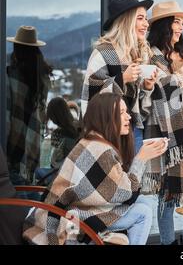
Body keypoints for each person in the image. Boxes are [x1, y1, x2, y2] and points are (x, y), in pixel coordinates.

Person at [23, 93, 168, 245]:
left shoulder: (93, 141)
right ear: (105, 117)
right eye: (121, 113)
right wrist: (141, 158)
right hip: (67, 218)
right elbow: (126, 193)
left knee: (144, 201)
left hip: (71, 210)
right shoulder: (99, 149)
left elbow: (114, 191)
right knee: (143, 213)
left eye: (127, 112)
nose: (128, 117)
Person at [140, 1, 183, 245]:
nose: (180, 27)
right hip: (164, 128)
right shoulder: (152, 55)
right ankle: (168, 243)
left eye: (182, 22)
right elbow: (160, 90)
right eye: (175, 21)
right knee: (167, 194)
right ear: (163, 25)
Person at [81, 0, 156, 153]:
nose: (146, 24)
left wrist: (147, 87)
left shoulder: (136, 54)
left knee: (132, 177)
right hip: (106, 133)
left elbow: (138, 110)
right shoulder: (103, 52)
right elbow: (90, 98)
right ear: (126, 21)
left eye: (146, 19)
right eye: (140, 18)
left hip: (132, 132)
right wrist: (122, 79)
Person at [6, 26, 53, 187]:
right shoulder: (42, 78)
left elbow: (7, 114)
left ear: (16, 49)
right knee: (25, 183)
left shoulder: (10, 76)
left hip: (12, 137)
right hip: (32, 140)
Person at [35, 97, 81, 186]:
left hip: (62, 175)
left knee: (36, 172)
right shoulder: (79, 128)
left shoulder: (57, 134)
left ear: (54, 117)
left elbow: (53, 162)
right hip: (75, 175)